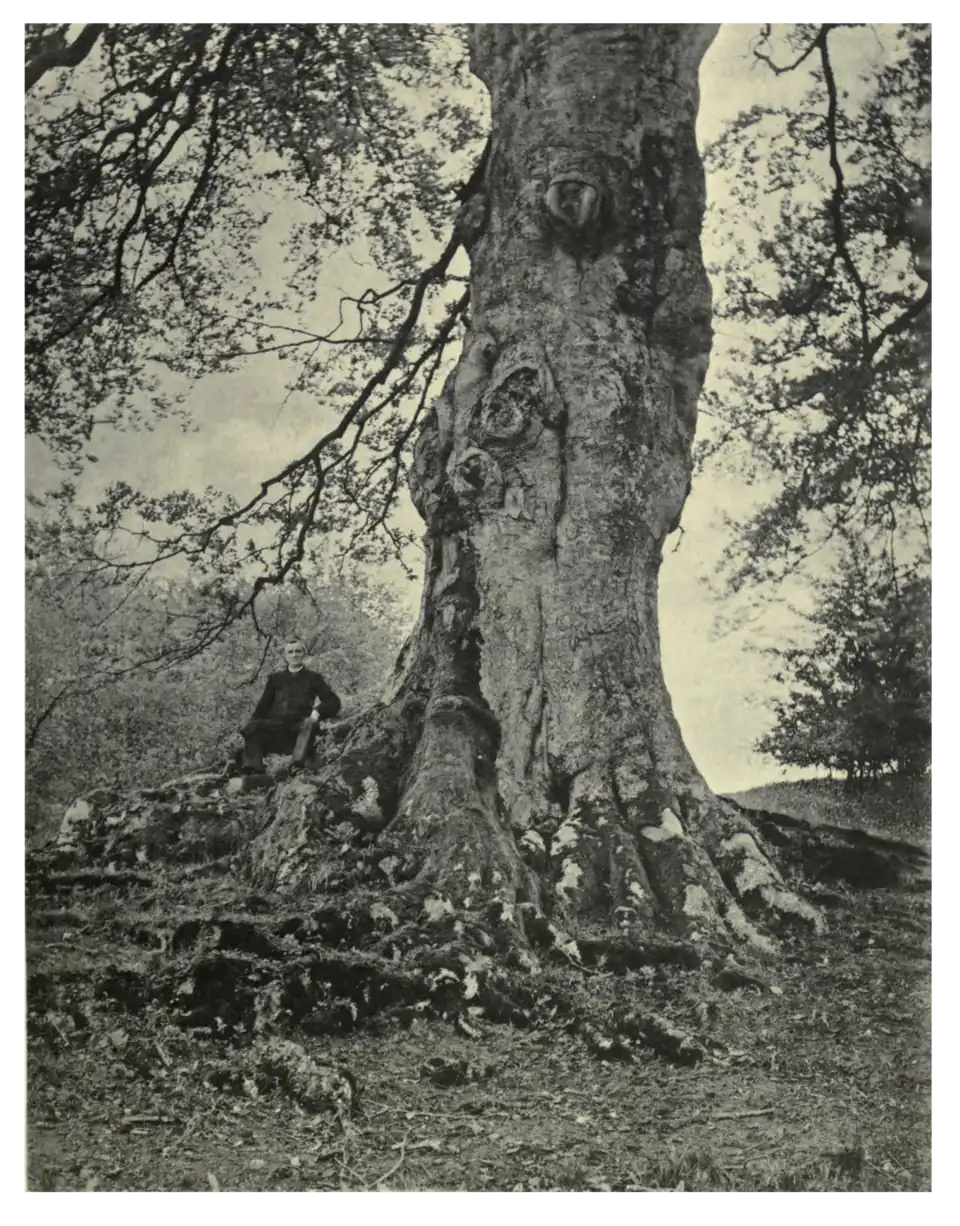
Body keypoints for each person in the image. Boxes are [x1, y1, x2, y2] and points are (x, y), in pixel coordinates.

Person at [234, 638, 341, 776]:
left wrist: (317, 711)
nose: (294, 655)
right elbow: (262, 707)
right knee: (253, 727)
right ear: (285, 656)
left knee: (310, 722)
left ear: (304, 654)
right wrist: (247, 729)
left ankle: (296, 765)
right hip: (275, 727)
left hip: (298, 728)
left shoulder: (313, 678)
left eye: (298, 651)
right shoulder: (275, 679)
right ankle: (253, 771)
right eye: (290, 652)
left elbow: (333, 701)